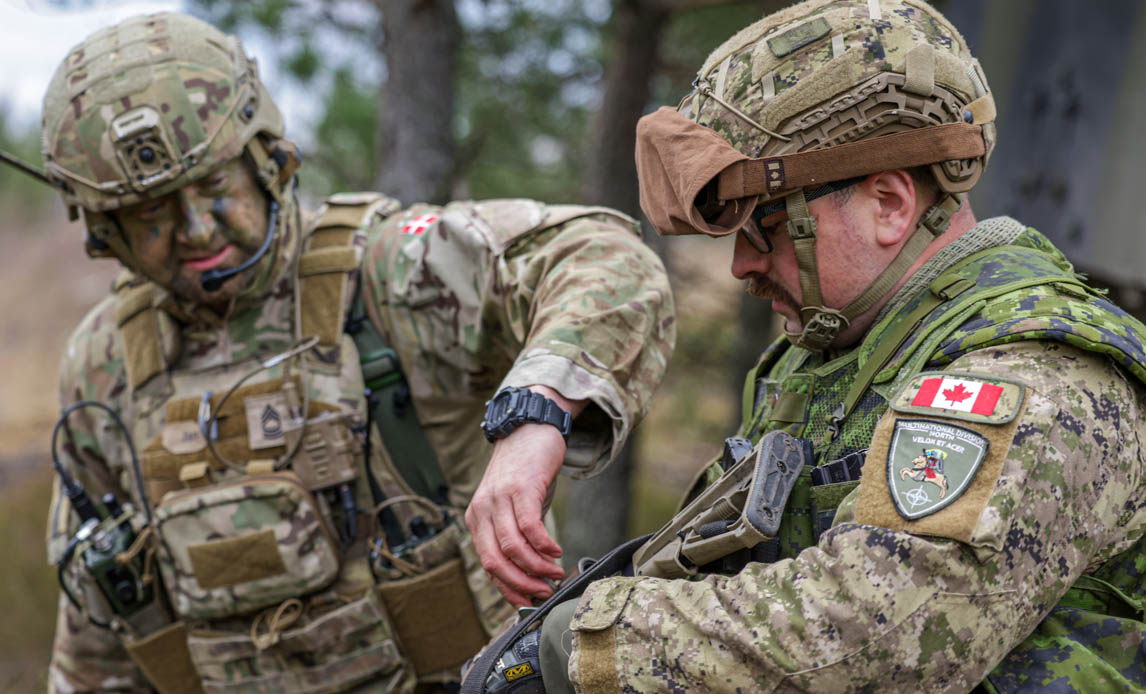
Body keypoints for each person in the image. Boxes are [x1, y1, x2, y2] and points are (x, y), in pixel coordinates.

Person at [467, 0, 1146, 692]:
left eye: (766, 226)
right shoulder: (833, 356)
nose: (741, 265)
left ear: (888, 203)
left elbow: (878, 636)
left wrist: (584, 645)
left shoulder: (1032, 375)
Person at [39, 12, 674, 694]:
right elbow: (100, 628)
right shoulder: (106, 359)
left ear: (267, 160)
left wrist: (535, 416)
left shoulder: (393, 270)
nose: (196, 230)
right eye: (150, 214)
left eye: (215, 187)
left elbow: (606, 260)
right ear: (104, 229)